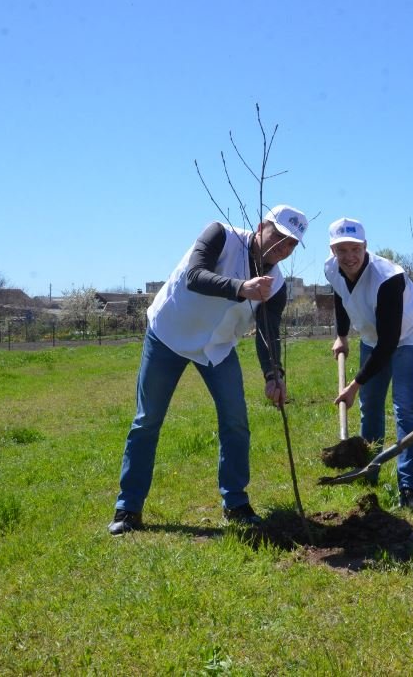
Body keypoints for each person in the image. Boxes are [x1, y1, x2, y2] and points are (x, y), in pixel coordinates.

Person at [107, 205, 309, 535]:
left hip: (216, 348)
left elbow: (267, 332)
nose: (282, 248)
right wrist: (241, 287)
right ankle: (128, 508)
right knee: (148, 420)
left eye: (291, 245)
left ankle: (236, 503)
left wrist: (274, 375)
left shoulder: (277, 285)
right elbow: (195, 275)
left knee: (235, 420)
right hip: (168, 335)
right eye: (279, 237)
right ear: (261, 226)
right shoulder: (220, 234)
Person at [325, 217, 413, 509]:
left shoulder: (388, 277)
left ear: (365, 247)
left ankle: (409, 488)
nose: (349, 257)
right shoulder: (332, 269)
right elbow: (341, 296)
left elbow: (389, 343)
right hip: (372, 336)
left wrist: (354, 384)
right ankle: (369, 471)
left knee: (404, 407)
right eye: (341, 250)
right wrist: (342, 335)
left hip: (407, 334)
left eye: (355, 249)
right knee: (370, 406)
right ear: (332, 250)